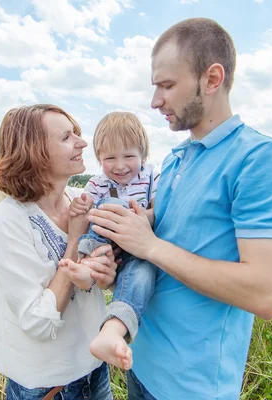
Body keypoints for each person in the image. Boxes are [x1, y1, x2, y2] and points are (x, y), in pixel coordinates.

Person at [87, 18, 272, 399]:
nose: (155, 101)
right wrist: (114, 257)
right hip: (139, 361)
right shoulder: (175, 161)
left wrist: (149, 245)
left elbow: (266, 294)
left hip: (191, 384)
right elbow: (158, 250)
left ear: (212, 79)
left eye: (167, 85)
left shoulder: (261, 160)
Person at [0, 104, 117, 400]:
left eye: (77, 135)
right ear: (35, 152)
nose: (83, 143)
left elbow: (92, 286)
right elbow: (38, 322)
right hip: (49, 386)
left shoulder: (78, 201)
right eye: (67, 137)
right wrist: (73, 240)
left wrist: (105, 275)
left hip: (94, 370)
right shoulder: (8, 220)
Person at [59, 112, 159, 370]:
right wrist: (80, 208)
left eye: (129, 156)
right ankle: (87, 264)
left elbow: (157, 211)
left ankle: (113, 330)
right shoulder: (99, 182)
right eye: (109, 158)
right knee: (112, 204)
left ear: (143, 155)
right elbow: (84, 207)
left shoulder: (150, 176)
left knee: (144, 275)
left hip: (136, 252)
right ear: (99, 159)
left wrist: (137, 219)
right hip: (105, 247)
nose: (120, 166)